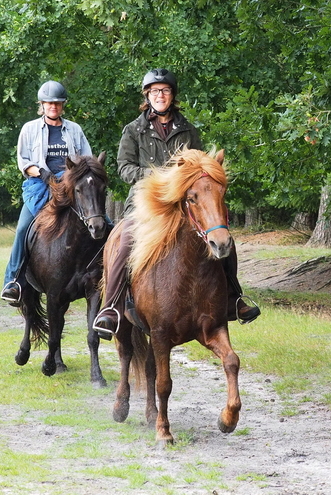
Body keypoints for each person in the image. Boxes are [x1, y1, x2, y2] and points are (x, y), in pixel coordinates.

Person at [92, 68, 260, 340]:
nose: (160, 95)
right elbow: (124, 168)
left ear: (172, 95)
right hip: (148, 202)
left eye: (165, 90)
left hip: (183, 205)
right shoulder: (133, 130)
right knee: (124, 239)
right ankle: (111, 307)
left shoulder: (188, 130)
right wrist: (158, 177)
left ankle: (234, 298)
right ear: (147, 95)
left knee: (222, 237)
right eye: (155, 91)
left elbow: (201, 166)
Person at [0, 81, 93, 304]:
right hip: (40, 186)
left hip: (70, 186)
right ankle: (12, 280)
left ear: (63, 105)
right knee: (23, 228)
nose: (54, 106)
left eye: (58, 103)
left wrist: (73, 176)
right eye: (50, 103)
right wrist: (42, 173)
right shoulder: (29, 129)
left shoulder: (75, 130)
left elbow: (87, 158)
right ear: (42, 104)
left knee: (103, 223)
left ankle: (105, 275)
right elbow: (23, 162)